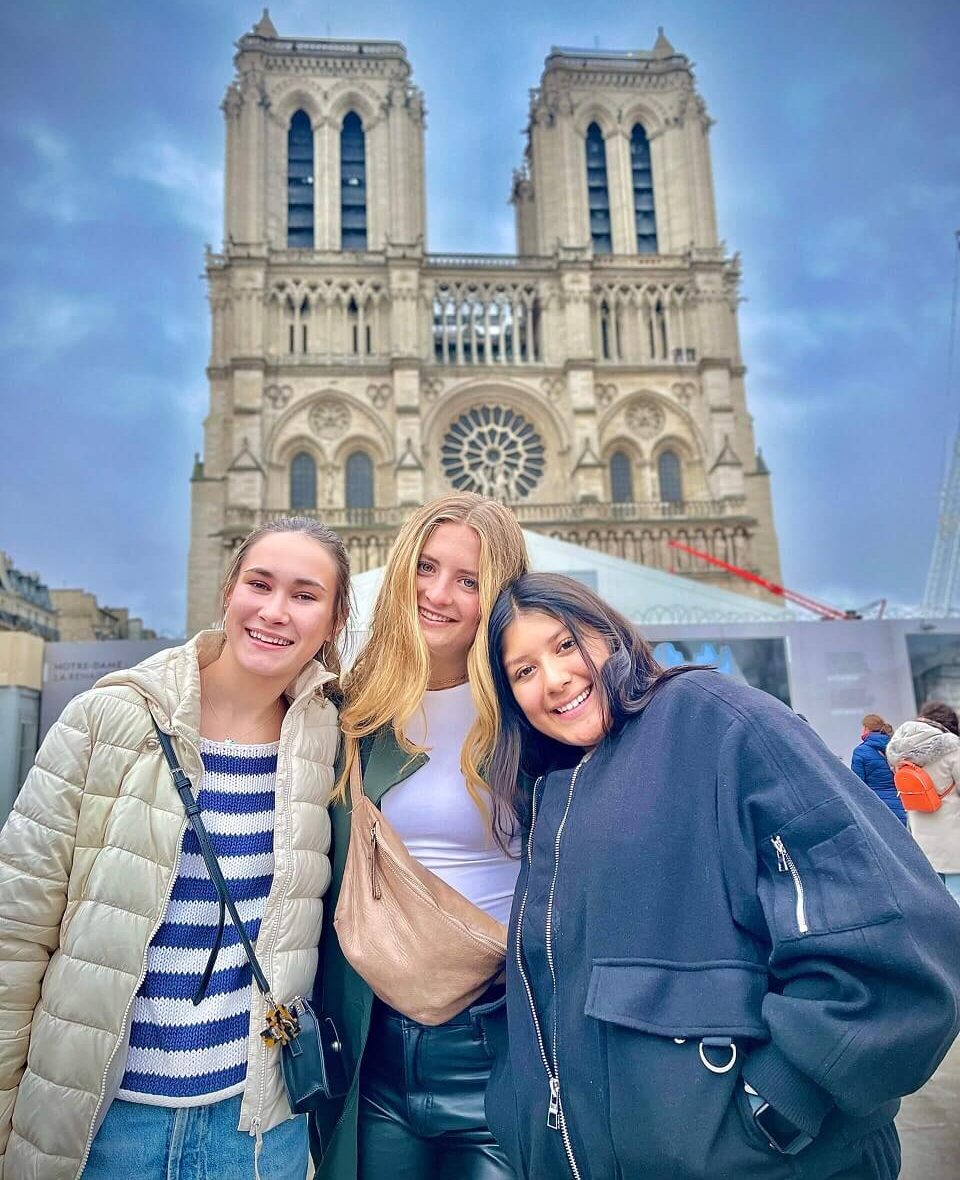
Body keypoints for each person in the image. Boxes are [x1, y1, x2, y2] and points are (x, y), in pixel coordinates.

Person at [482, 572, 960, 1180]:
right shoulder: (555, 788)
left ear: (611, 636)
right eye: (523, 671)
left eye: (567, 644)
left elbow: (895, 940)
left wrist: (776, 1110)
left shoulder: (718, 720)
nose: (553, 679)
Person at [0, 517, 349, 1180]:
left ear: (334, 621)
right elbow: (14, 934)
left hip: (256, 1131)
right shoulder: (111, 718)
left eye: (305, 595)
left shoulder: (330, 743)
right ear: (227, 590)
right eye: (260, 584)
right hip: (104, 1126)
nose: (275, 611)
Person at [311, 492, 528, 1180]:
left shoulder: (531, 710)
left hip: (498, 1044)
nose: (439, 595)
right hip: (376, 1044)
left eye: (468, 581)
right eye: (427, 569)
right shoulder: (356, 706)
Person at [886, 700, 960, 903]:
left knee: (934, 893)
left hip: (921, 834)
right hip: (953, 835)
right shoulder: (952, 749)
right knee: (957, 892)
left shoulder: (900, 751)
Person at [851, 714, 907, 825]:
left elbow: (857, 785)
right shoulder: (897, 748)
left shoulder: (860, 752)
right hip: (903, 803)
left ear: (866, 729)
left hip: (877, 807)